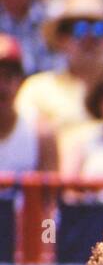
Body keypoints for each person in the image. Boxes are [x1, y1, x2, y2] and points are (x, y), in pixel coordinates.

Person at [15, 0, 103, 139]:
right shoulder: (38, 90)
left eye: (99, 28)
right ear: (61, 38)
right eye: (79, 28)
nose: (89, 37)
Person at [0, 35, 57, 174]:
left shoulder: (40, 131)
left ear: (20, 81)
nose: (1, 86)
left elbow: (50, 194)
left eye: (8, 76)